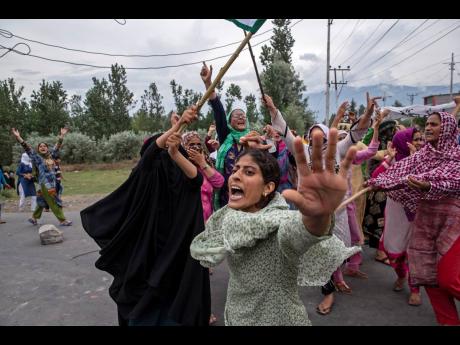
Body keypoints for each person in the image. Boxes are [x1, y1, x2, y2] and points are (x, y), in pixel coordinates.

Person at [191, 130, 360, 326]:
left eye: (249, 172)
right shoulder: (227, 217)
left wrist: (319, 215)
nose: (235, 176)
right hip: (237, 315)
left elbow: (299, 231)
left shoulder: (278, 223)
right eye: (236, 169)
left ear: (268, 188)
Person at [80, 106, 211, 326]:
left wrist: (175, 152)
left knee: (174, 299)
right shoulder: (145, 172)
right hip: (150, 250)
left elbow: (196, 179)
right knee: (148, 301)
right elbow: (152, 153)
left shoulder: (180, 172)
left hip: (178, 251)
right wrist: (177, 126)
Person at [266, 93, 375, 314]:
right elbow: (285, 130)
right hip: (314, 214)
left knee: (336, 251)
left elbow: (357, 133)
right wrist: (272, 108)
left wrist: (367, 115)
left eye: (323, 139)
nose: (319, 144)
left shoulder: (340, 150)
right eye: (313, 139)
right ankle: (329, 292)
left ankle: (338, 275)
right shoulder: (303, 153)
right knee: (318, 252)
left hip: (340, 211)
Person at [368, 112, 460, 325]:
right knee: (429, 278)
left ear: (446, 129)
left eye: (434, 124)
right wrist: (378, 182)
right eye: (427, 124)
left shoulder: (456, 156)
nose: (427, 128)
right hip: (426, 222)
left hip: (452, 224)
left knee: (448, 280)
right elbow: (398, 173)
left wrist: (430, 185)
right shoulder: (422, 156)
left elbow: (454, 181)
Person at [371, 127, 424, 306]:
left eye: (420, 139)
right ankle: (401, 275)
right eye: (415, 139)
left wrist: (415, 160)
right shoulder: (393, 159)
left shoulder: (424, 159)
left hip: (415, 214)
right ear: (402, 141)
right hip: (395, 214)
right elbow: (375, 178)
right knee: (392, 249)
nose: (418, 143)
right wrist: (388, 159)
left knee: (413, 252)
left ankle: (415, 289)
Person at [200, 62, 249, 209]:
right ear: (229, 121)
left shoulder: (253, 138)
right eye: (236, 115)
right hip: (226, 196)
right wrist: (209, 83)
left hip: (249, 194)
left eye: (243, 115)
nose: (241, 117)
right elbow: (218, 109)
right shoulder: (226, 135)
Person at [11, 128, 72, 227]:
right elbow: (27, 148)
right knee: (54, 201)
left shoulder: (51, 156)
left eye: (44, 146)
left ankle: (34, 218)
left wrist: (62, 135)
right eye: (40, 146)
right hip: (45, 184)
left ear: (47, 148)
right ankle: (62, 220)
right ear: (38, 149)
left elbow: (57, 146)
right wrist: (18, 137)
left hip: (51, 183)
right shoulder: (37, 158)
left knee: (41, 201)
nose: (42, 147)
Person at [181, 131, 224, 223]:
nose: (196, 147)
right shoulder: (179, 165)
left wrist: (202, 163)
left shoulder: (207, 164)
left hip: (206, 219)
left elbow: (219, 182)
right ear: (183, 146)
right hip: (186, 219)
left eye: (198, 144)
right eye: (191, 144)